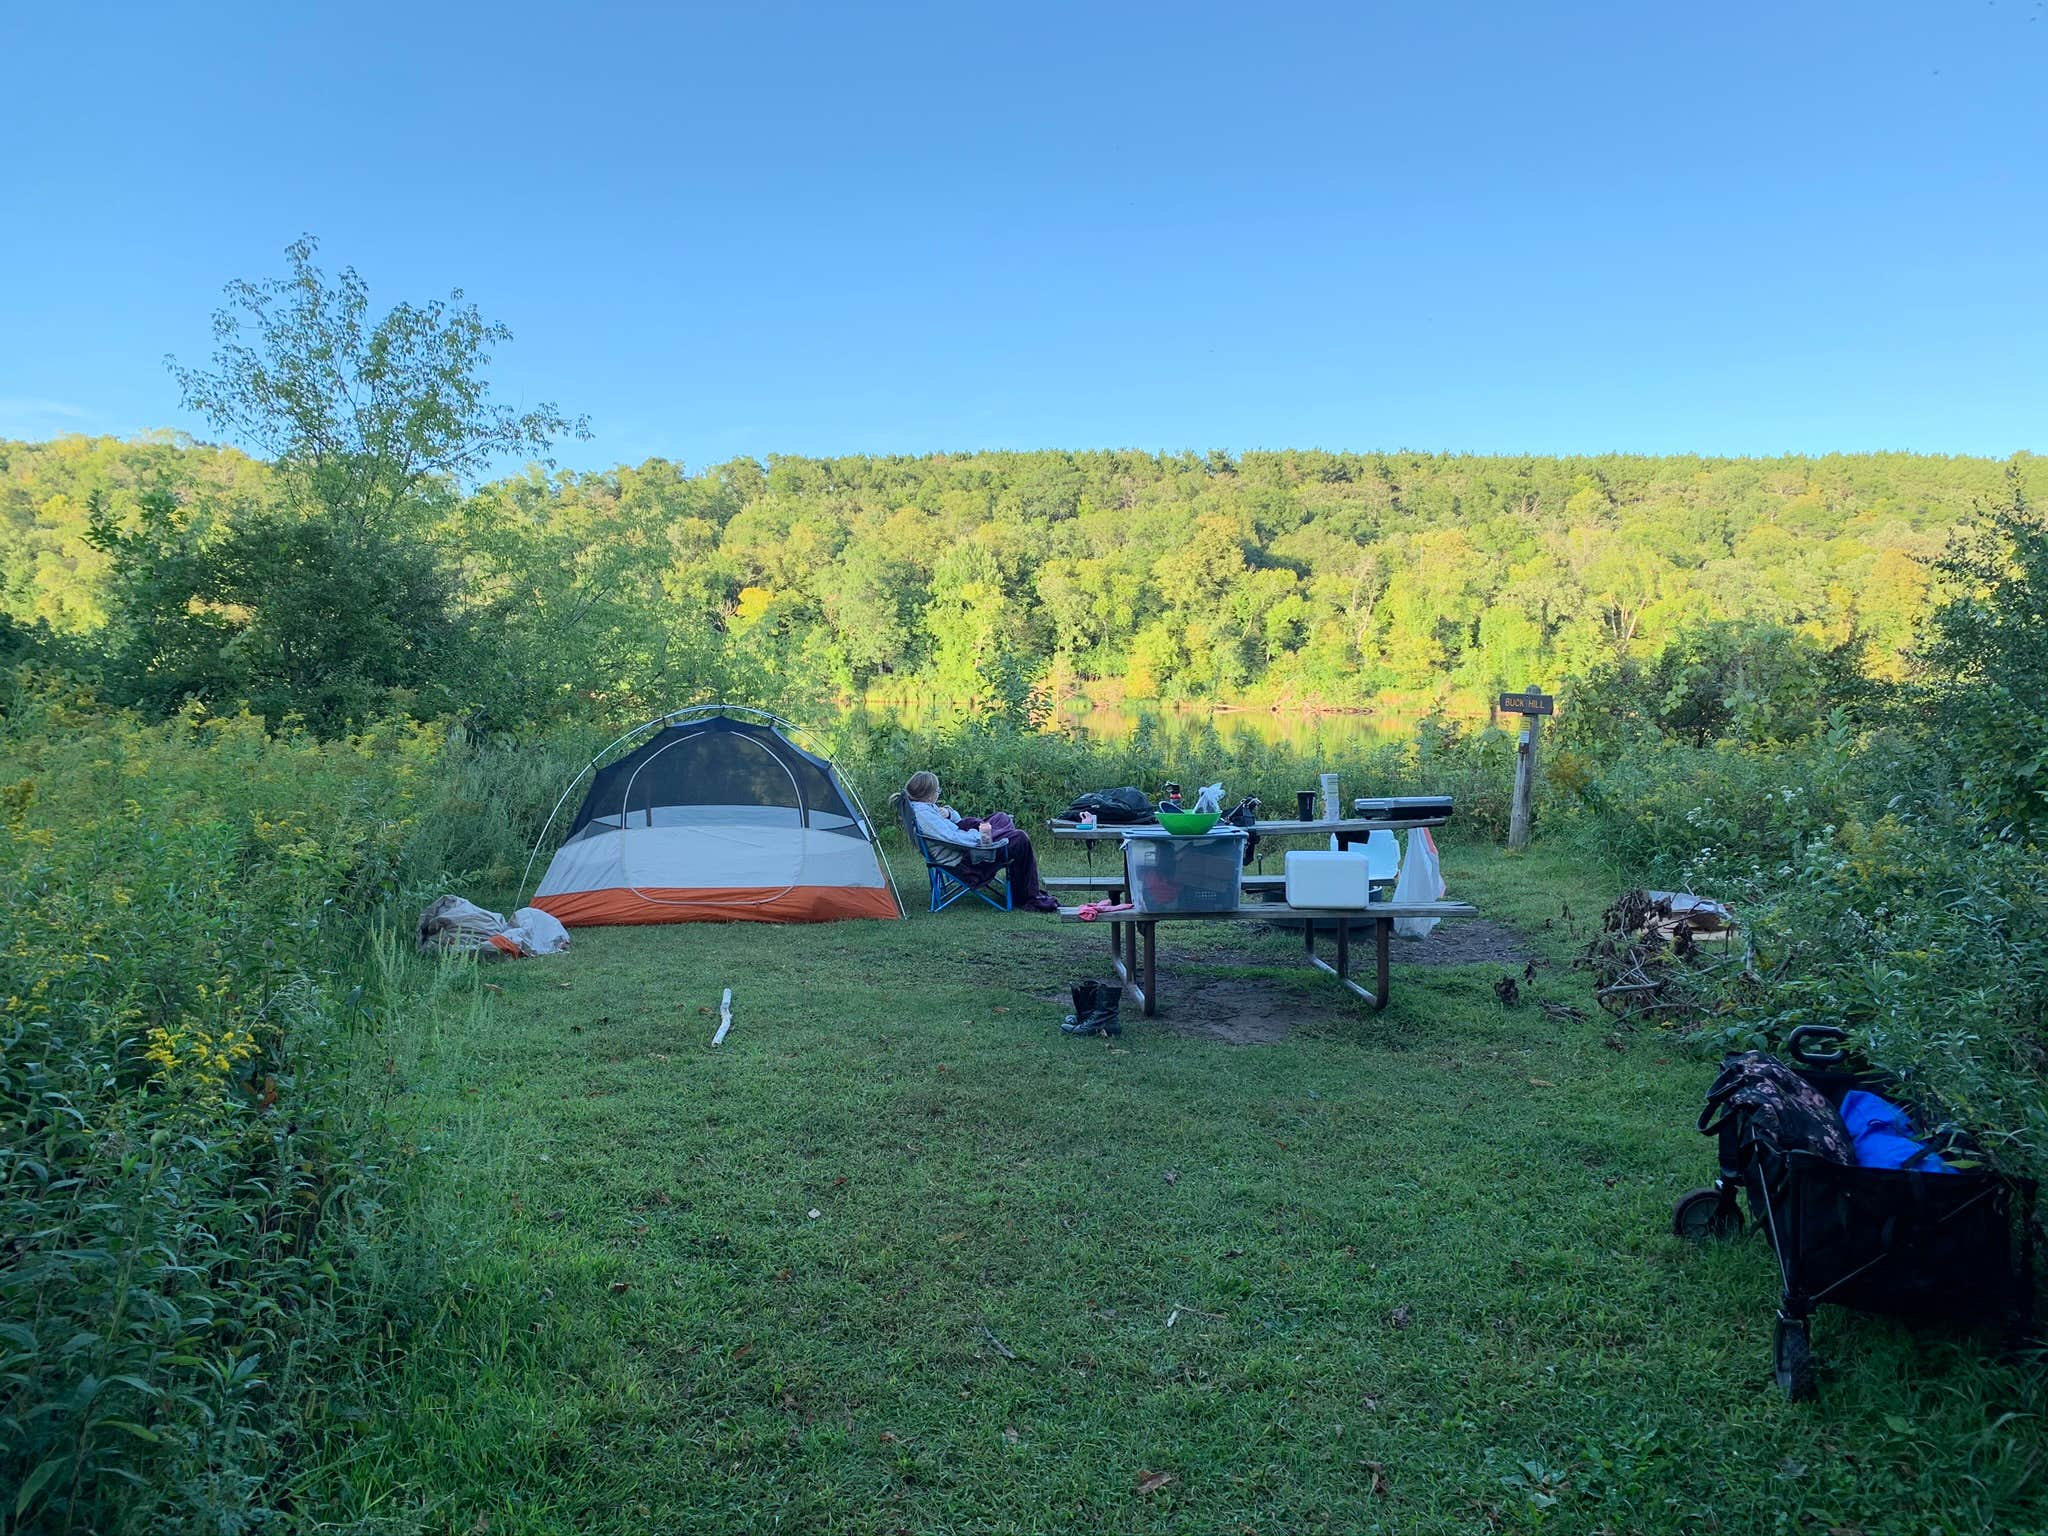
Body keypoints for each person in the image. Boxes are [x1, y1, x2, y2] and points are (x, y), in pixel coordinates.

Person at [901, 770, 1058, 912]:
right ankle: (1025, 894)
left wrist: (948, 813)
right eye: (937, 791)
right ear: (928, 794)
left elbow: (957, 820)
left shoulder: (925, 806)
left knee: (1001, 817)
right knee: (1020, 838)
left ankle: (1002, 835)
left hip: (965, 842)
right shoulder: (924, 814)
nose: (938, 794)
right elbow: (952, 838)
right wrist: (978, 835)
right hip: (966, 858)